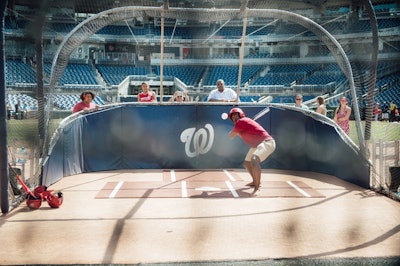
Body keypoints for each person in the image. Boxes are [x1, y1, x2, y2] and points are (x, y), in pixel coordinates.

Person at [227, 107, 276, 196]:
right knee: (247, 163)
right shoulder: (242, 124)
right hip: (257, 145)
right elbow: (240, 135)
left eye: (235, 115)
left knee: (254, 159)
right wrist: (238, 133)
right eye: (232, 116)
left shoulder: (241, 121)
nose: (234, 117)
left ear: (240, 114)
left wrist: (234, 133)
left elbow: (230, 136)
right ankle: (254, 181)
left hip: (267, 142)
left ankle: (257, 187)